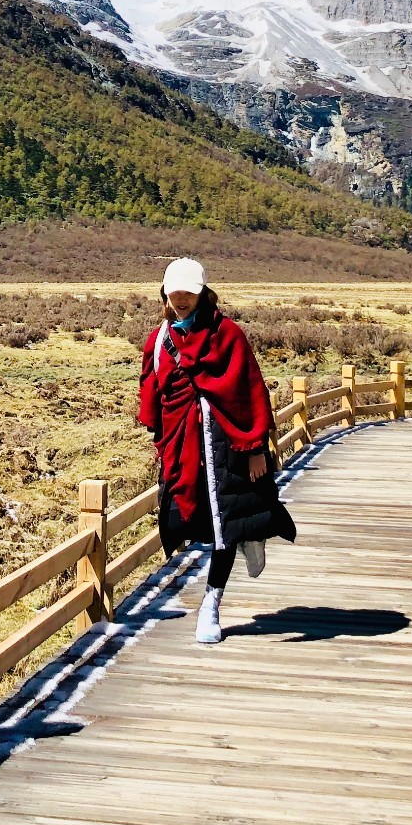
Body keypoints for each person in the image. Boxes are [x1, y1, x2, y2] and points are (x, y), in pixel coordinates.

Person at [137, 257, 295, 644]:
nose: (180, 298)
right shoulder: (159, 340)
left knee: (229, 522)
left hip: (229, 444)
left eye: (188, 291)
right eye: (173, 291)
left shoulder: (228, 335)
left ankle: (211, 603)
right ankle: (248, 537)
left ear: (202, 292)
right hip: (184, 446)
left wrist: (256, 448)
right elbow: (154, 395)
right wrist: (164, 442)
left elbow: (249, 392)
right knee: (191, 521)